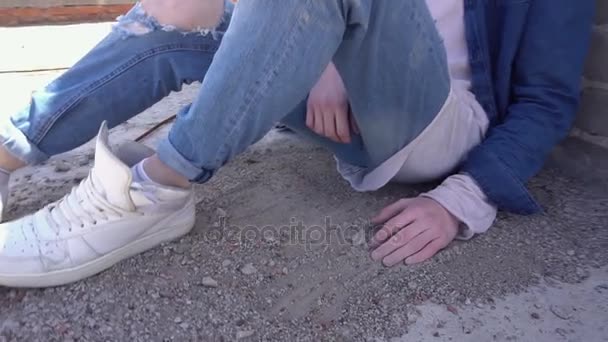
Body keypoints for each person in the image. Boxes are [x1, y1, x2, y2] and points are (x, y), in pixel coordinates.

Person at [0, 0, 594, 288]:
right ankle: (10, 149)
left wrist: (462, 199)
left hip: (442, 123)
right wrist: (326, 62)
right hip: (347, 109)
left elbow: (547, 101)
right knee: (185, 7)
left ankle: (151, 191)